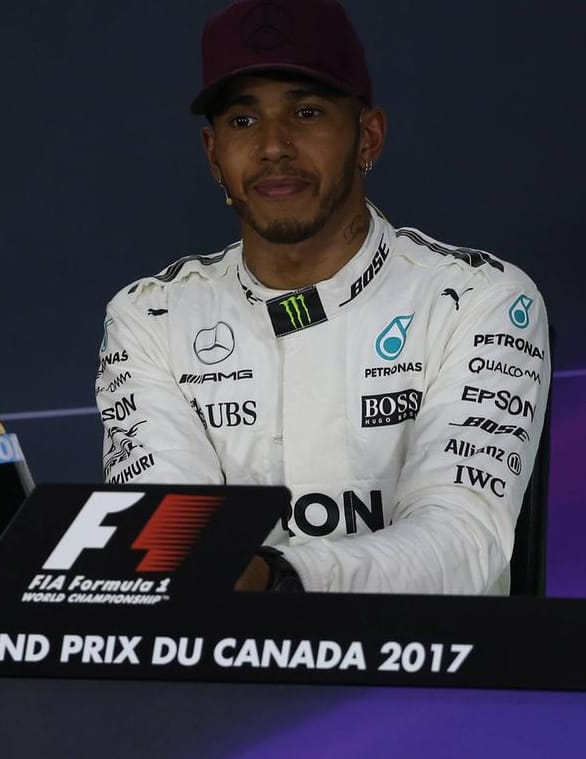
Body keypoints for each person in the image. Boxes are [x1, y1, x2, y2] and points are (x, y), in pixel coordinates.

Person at [95, 0, 550, 594]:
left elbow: (464, 543)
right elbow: (172, 544)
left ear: (369, 137)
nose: (274, 146)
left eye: (306, 113)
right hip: (224, 679)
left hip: (425, 677)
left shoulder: (478, 300)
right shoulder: (150, 317)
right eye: (242, 121)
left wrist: (281, 579)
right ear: (213, 156)